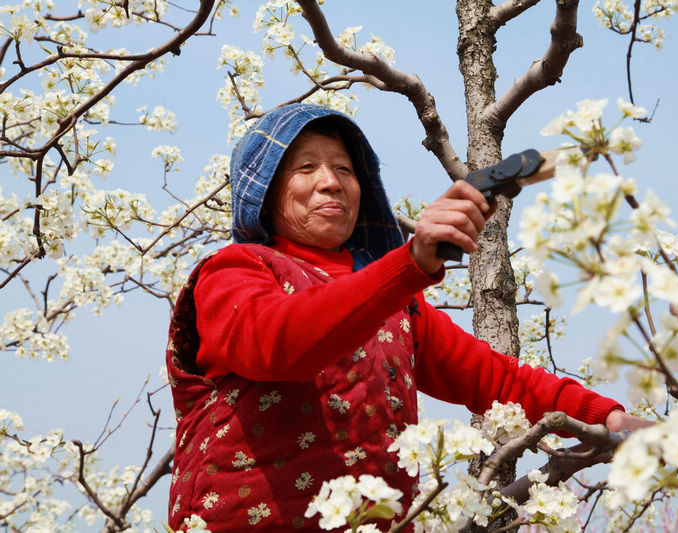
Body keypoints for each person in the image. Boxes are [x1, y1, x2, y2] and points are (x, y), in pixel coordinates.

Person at [165, 103, 647, 532]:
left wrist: (607, 416)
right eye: (306, 167)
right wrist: (409, 263)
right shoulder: (235, 270)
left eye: (344, 169)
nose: (331, 181)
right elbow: (279, 345)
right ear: (266, 192)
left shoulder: (398, 304)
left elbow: (497, 380)